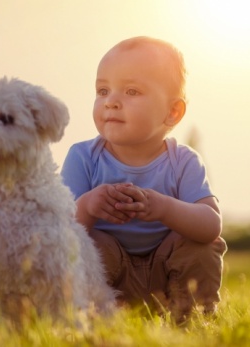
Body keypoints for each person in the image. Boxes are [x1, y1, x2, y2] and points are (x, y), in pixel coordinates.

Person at [61, 36, 227, 323]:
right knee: (89, 244)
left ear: (172, 112)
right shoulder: (83, 157)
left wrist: (163, 208)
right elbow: (58, 232)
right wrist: (87, 206)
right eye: (102, 90)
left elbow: (211, 225)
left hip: (168, 274)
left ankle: (191, 318)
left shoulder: (183, 161)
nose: (111, 102)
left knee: (201, 246)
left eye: (131, 91)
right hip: (110, 280)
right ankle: (95, 319)